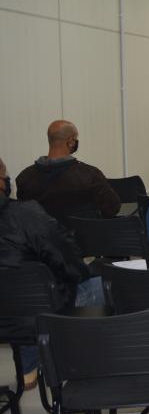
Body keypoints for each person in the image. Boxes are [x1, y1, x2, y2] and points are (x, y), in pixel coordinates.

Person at [0, 156, 104, 390]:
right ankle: (91, 365)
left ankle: (27, 369)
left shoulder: (26, 185)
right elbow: (67, 258)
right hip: (30, 314)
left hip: (10, 314)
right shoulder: (25, 215)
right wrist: (81, 273)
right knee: (92, 279)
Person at [16, 120, 121, 222]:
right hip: (82, 238)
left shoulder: (25, 177)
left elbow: (24, 215)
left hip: (41, 238)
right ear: (70, 142)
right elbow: (112, 208)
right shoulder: (90, 175)